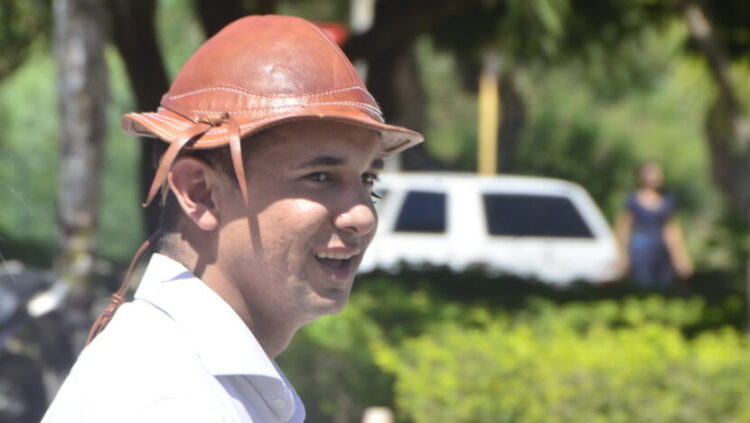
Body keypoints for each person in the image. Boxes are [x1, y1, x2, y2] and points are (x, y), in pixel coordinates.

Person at [42, 15, 422, 422]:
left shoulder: (192, 374)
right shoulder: (169, 402)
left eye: (368, 180)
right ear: (200, 193)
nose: (362, 215)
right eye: (319, 177)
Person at [615, 161, 693, 289]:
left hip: (662, 254)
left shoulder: (667, 201)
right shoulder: (633, 200)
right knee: (642, 287)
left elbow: (671, 230)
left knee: (665, 288)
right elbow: (623, 228)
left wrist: (680, 257)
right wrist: (622, 255)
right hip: (640, 253)